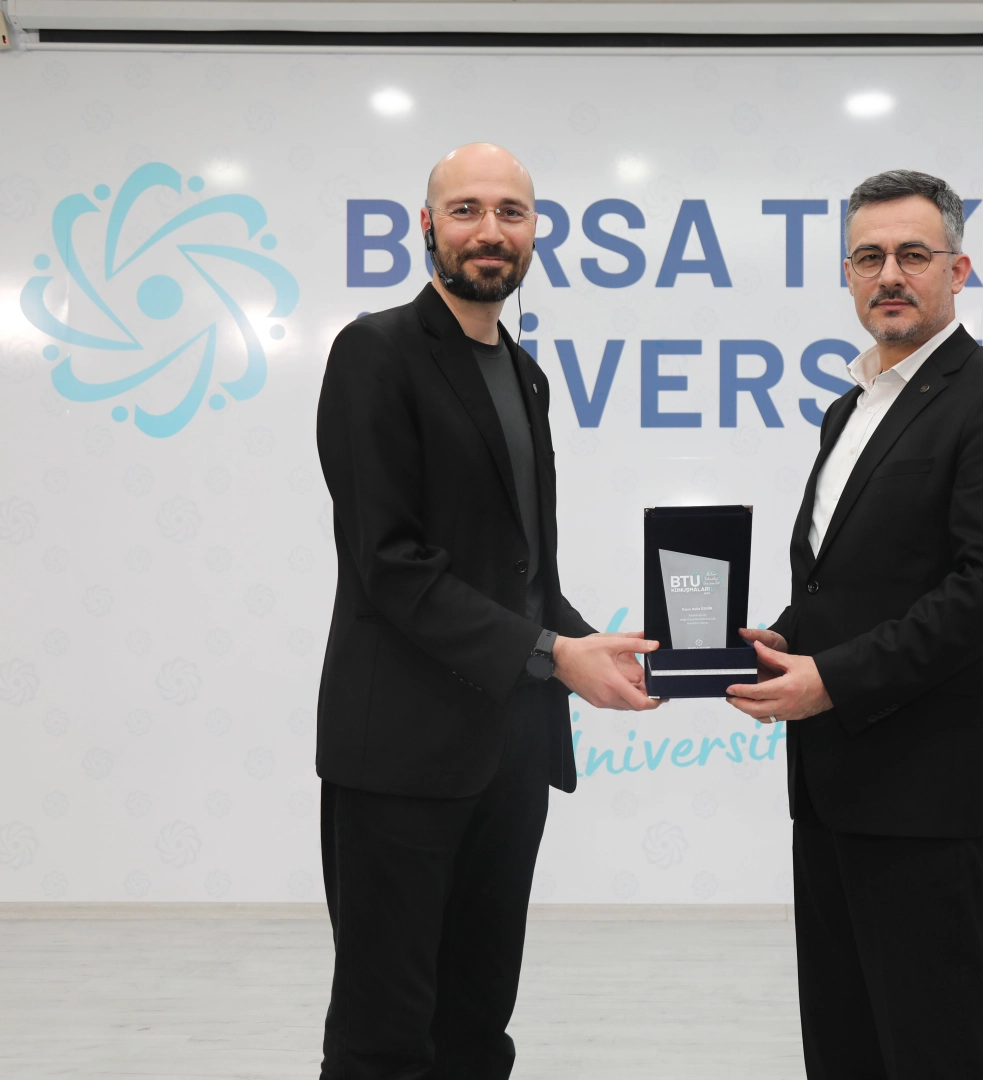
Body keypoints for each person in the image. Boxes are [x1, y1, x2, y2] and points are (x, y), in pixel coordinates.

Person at [313, 142, 658, 1080]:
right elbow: (391, 565)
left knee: (477, 1023)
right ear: (427, 227)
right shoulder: (376, 352)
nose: (490, 230)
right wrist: (551, 653)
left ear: (535, 231)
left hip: (510, 748)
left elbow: (519, 570)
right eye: (466, 209)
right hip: (401, 752)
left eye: (511, 211)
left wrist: (594, 647)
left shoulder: (524, 372)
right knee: (386, 1032)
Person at [728, 169, 983, 1079]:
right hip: (829, 781)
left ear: (958, 270)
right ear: (846, 274)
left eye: (913, 255)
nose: (889, 275)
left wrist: (833, 679)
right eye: (868, 257)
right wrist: (783, 641)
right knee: (845, 1046)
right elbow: (848, 578)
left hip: (925, 788)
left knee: (934, 1048)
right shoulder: (850, 407)